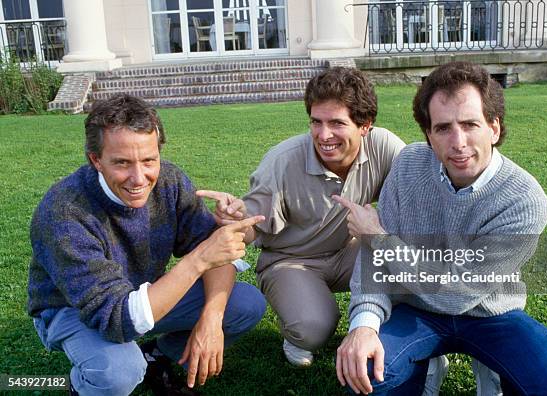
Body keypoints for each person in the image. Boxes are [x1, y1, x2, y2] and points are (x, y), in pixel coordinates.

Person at [202, 67, 498, 395]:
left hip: (350, 249)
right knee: (315, 328)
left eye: (337, 123)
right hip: (292, 260)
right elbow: (251, 226)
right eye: (316, 121)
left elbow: (425, 179)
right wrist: (236, 219)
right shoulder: (283, 160)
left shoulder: (385, 146)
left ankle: (423, 349)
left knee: (405, 260)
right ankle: (297, 330)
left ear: (365, 126)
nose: (323, 135)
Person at [334, 61, 547, 394]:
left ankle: (490, 362)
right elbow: (374, 264)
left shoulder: (525, 200)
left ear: (494, 128)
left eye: (470, 124)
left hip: (491, 315)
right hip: (414, 311)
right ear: (429, 135)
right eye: (443, 128)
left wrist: (380, 238)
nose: (458, 141)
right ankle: (427, 364)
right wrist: (364, 324)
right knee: (366, 382)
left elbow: (456, 293)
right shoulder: (408, 165)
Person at [27, 94, 266, 396]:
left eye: (149, 160)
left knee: (245, 304)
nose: (139, 178)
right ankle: (79, 386)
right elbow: (117, 321)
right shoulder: (63, 213)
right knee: (120, 372)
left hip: (139, 295)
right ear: (95, 160)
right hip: (74, 309)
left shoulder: (170, 181)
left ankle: (158, 357)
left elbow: (216, 254)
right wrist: (199, 259)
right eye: (122, 163)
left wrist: (211, 319)